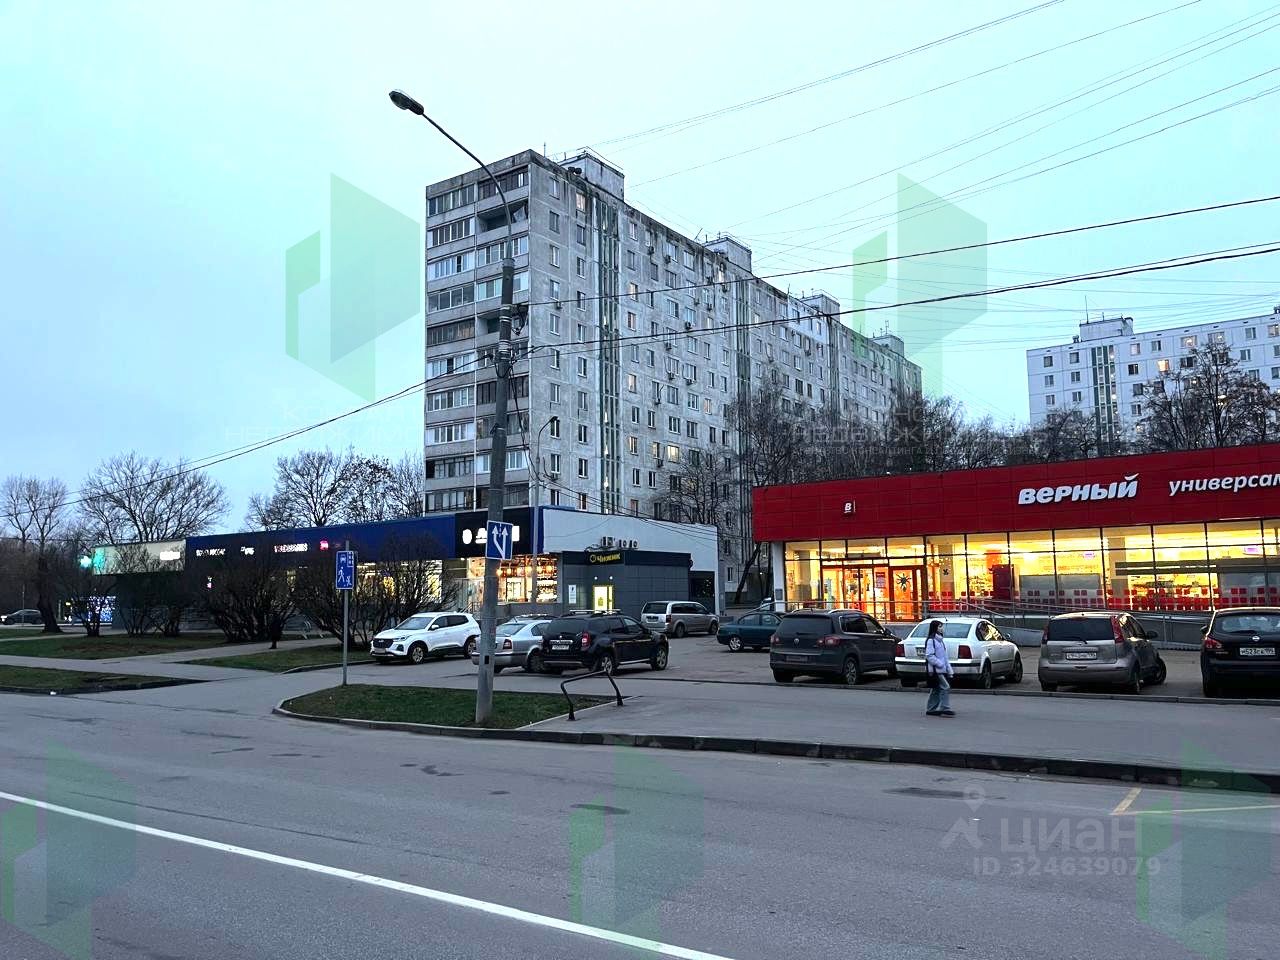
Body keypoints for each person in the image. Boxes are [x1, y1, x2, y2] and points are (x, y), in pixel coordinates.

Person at [924, 619, 955, 718]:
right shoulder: (931, 640)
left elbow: (945, 657)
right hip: (935, 670)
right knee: (945, 687)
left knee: (936, 689)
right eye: (940, 626)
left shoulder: (940, 641)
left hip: (941, 669)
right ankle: (944, 708)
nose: (942, 628)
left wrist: (948, 669)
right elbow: (929, 656)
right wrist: (940, 664)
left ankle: (931, 709)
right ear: (935, 628)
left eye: (941, 626)